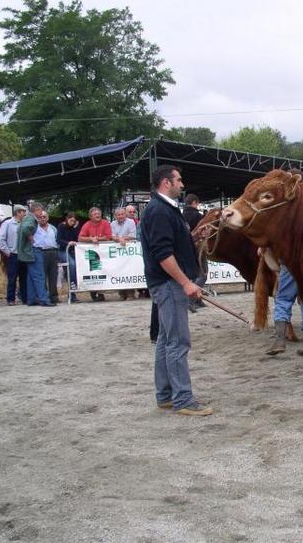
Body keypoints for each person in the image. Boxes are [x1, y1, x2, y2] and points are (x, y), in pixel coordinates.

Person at [140, 164, 212, 417]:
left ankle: (166, 395)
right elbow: (162, 254)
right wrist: (185, 282)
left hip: (167, 284)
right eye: (179, 180)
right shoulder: (159, 210)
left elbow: (171, 244)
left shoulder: (165, 209)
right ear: (166, 183)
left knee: (165, 340)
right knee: (178, 342)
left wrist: (191, 237)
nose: (183, 185)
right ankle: (183, 399)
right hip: (169, 285)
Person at [78, 207, 112, 302]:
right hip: (91, 251)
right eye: (95, 214)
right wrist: (90, 239)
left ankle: (101, 293)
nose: (98, 215)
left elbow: (108, 237)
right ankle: (93, 291)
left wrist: (97, 239)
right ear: (90, 217)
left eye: (98, 213)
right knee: (93, 271)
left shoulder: (105, 223)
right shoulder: (87, 224)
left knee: (104, 270)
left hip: (104, 251)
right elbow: (80, 238)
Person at [0, 204, 28, 305]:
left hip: (23, 254)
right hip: (13, 254)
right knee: (12, 278)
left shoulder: (24, 223)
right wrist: (8, 252)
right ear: (18, 212)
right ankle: (10, 299)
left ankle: (25, 297)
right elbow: (1, 239)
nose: (24, 214)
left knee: (24, 277)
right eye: (23, 212)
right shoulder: (7, 223)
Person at [182, 194, 207, 311]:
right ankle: (191, 299)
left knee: (193, 274)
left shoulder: (181, 216)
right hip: (198, 247)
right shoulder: (198, 216)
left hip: (186, 249)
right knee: (203, 274)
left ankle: (198, 300)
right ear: (195, 202)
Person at [111, 207, 138, 300]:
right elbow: (112, 236)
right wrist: (120, 239)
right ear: (115, 216)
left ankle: (131, 293)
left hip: (129, 250)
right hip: (117, 251)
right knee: (119, 271)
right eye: (118, 215)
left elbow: (133, 235)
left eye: (122, 214)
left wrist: (122, 238)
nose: (121, 216)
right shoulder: (112, 224)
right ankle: (122, 293)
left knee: (129, 270)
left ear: (125, 214)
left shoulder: (131, 222)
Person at [33, 210, 59, 304]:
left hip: (53, 252)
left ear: (48, 218)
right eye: (40, 217)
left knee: (53, 275)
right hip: (41, 252)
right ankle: (43, 296)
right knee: (42, 276)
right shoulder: (35, 228)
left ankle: (54, 296)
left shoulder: (53, 228)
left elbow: (57, 239)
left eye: (44, 217)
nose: (42, 218)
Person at [57, 212, 80, 303]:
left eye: (74, 221)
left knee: (76, 267)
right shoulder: (61, 226)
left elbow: (77, 238)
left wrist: (76, 228)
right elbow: (59, 240)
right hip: (63, 250)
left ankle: (73, 293)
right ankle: (72, 291)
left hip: (72, 251)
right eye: (71, 220)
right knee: (71, 264)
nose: (72, 223)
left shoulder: (74, 227)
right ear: (67, 219)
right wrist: (68, 243)